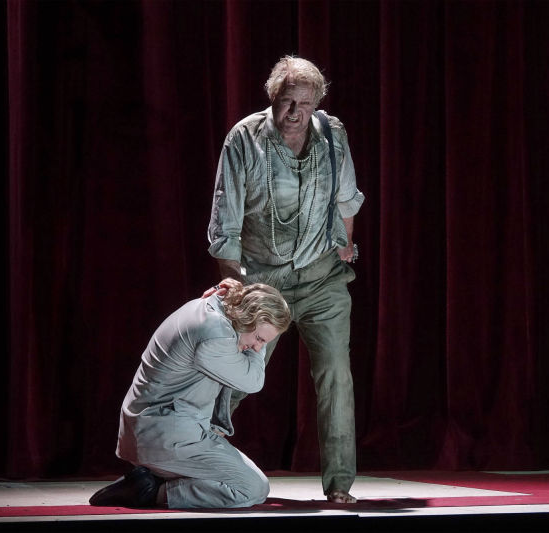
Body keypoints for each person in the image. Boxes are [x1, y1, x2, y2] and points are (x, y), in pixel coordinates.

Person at [207, 56, 365, 503]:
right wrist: (234, 286)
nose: (295, 112)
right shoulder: (244, 138)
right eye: (287, 101)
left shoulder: (333, 133)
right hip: (264, 281)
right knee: (236, 376)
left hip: (321, 277)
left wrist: (346, 244)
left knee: (336, 374)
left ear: (318, 104)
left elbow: (346, 198)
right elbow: (225, 222)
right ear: (272, 96)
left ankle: (339, 485)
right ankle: (186, 454)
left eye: (305, 103)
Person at [89, 280, 291, 509]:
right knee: (251, 489)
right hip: (164, 436)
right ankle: (148, 490)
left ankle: (153, 478)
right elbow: (254, 381)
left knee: (251, 481)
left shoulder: (210, 306)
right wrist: (258, 349)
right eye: (260, 338)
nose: (257, 347)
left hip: (161, 429)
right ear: (247, 317)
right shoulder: (216, 334)